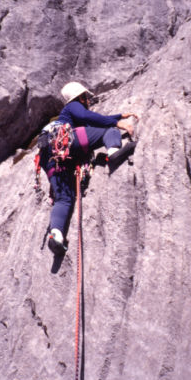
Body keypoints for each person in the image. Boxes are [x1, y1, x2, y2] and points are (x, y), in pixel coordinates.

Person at [40, 81, 139, 255]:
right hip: (65, 141)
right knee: (107, 128)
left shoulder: (67, 115)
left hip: (49, 156)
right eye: (87, 97)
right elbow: (89, 118)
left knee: (63, 199)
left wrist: (120, 114)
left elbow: (86, 120)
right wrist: (117, 122)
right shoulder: (73, 106)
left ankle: (56, 236)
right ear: (81, 97)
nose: (88, 101)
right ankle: (114, 152)